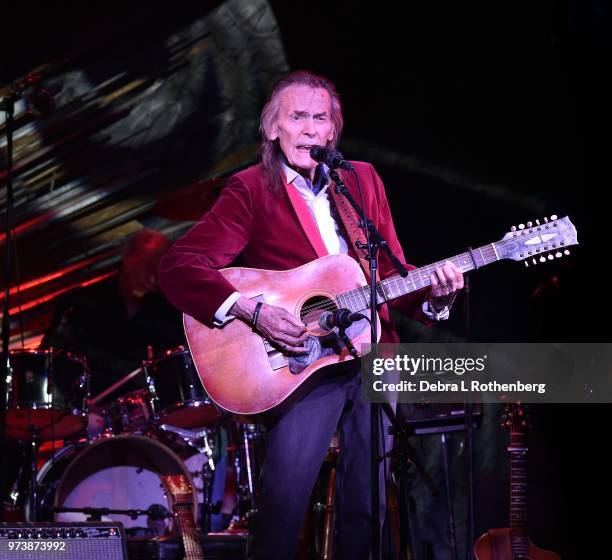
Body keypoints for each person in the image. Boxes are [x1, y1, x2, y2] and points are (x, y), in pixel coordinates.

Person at [158, 70, 464, 559]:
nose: (308, 129)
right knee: (283, 507)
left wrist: (437, 298)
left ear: (333, 131)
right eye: (296, 116)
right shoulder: (252, 188)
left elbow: (391, 276)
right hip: (300, 363)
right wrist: (252, 311)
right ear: (272, 128)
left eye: (319, 118)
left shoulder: (360, 181)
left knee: (368, 510)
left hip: (373, 355)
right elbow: (179, 265)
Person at [43, 228, 185, 398]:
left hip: (152, 412)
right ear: (127, 256)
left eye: (158, 273)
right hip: (91, 409)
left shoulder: (169, 313)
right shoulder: (79, 303)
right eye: (147, 267)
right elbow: (50, 359)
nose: (151, 279)